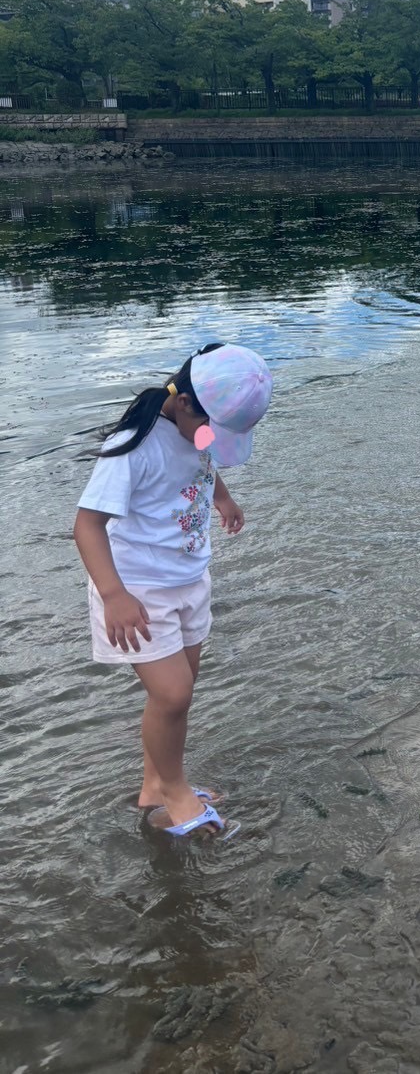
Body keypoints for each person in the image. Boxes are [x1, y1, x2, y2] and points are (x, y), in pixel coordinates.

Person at [73, 342, 272, 839]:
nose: (211, 443)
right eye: (210, 431)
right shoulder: (134, 445)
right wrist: (114, 595)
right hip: (139, 592)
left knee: (176, 697)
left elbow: (203, 465)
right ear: (183, 402)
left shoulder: (194, 430)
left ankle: (152, 786)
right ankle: (176, 789)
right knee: (173, 694)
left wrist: (223, 497)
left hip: (188, 579)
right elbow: (87, 525)